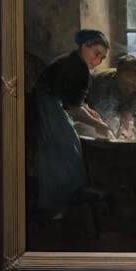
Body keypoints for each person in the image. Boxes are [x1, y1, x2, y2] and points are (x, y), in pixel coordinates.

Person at [27, 29, 112, 217]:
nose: (97, 61)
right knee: (68, 153)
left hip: (50, 106)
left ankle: (61, 205)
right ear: (84, 46)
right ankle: (58, 206)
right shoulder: (76, 67)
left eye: (102, 58)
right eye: (96, 53)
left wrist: (89, 111)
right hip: (45, 108)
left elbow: (75, 100)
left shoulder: (75, 61)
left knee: (68, 151)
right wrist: (100, 125)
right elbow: (73, 108)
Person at [87, 54, 136, 138]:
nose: (130, 90)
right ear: (117, 77)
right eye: (126, 86)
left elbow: (128, 110)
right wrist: (111, 133)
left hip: (111, 114)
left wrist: (125, 129)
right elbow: (101, 115)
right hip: (87, 112)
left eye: (134, 85)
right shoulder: (103, 82)